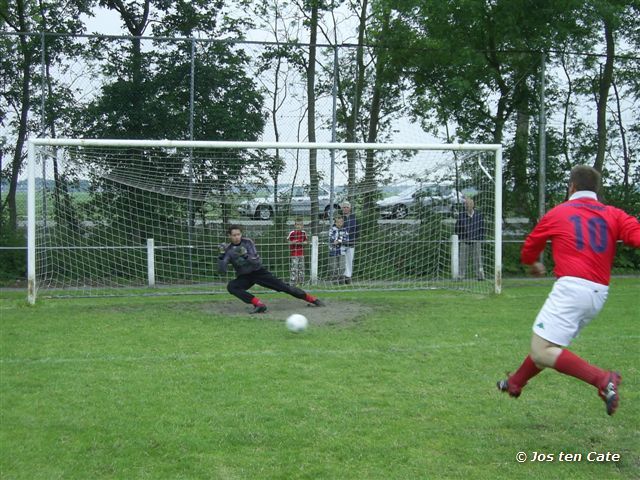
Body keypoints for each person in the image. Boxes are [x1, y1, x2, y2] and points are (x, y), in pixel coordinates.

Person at [497, 165, 640, 415]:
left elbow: (530, 246)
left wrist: (534, 263)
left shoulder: (558, 212)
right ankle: (516, 382)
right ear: (596, 190)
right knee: (549, 345)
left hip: (572, 289)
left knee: (542, 351)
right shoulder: (614, 214)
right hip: (598, 294)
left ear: (571, 187)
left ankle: (602, 379)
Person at [218, 224, 325, 314]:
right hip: (245, 276)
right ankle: (259, 304)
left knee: (284, 287)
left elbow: (256, 262)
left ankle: (313, 299)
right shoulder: (229, 250)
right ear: (229, 236)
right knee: (231, 287)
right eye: (234, 235)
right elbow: (222, 271)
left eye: (238, 234)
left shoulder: (247, 243)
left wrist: (245, 255)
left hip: (258, 272)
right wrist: (222, 256)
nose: (237, 237)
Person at [455, 196, 485, 280]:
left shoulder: (479, 216)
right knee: (462, 260)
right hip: (465, 241)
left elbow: (482, 228)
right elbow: (457, 229)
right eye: (466, 204)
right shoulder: (461, 216)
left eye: (470, 204)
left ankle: (480, 276)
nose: (468, 206)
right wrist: (462, 238)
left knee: (478, 260)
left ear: (473, 205)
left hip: (476, 241)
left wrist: (479, 239)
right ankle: (461, 276)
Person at [287, 218, 308, 286]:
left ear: (302, 226)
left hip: (301, 254)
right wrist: (293, 242)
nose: (299, 226)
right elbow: (288, 241)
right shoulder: (292, 233)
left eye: (300, 225)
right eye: (297, 224)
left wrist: (303, 243)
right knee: (294, 268)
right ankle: (293, 282)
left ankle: (301, 282)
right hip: (294, 254)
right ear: (295, 225)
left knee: (301, 268)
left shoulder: (303, 233)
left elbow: (306, 241)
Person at [341, 201, 358, 284]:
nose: (345, 208)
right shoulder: (339, 217)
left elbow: (357, 230)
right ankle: (341, 276)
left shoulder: (354, 218)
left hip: (351, 242)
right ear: (342, 208)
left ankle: (348, 276)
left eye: (347, 207)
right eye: (344, 207)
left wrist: (355, 239)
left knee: (349, 260)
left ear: (350, 208)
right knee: (342, 260)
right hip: (341, 243)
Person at [328, 215, 348, 283]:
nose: (339, 223)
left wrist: (339, 241)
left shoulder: (345, 230)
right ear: (335, 223)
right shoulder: (332, 230)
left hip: (342, 251)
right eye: (338, 222)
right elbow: (331, 238)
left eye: (341, 222)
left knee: (342, 266)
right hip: (333, 251)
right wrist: (334, 241)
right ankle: (334, 280)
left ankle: (341, 279)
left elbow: (346, 239)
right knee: (333, 267)